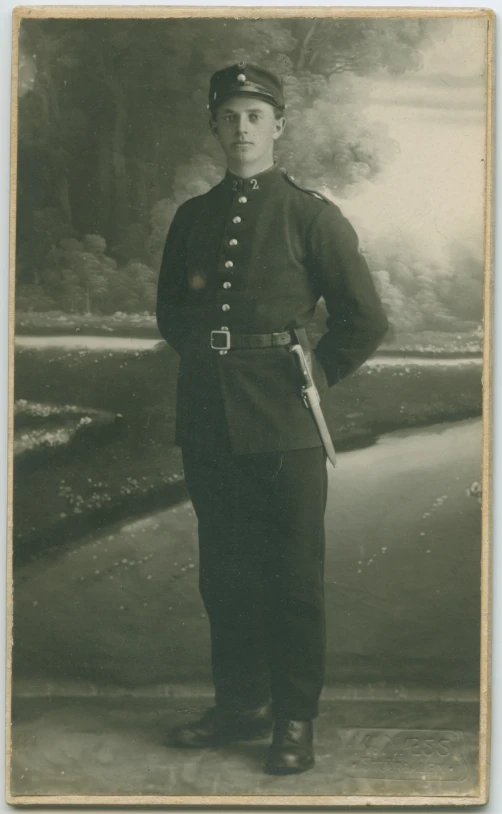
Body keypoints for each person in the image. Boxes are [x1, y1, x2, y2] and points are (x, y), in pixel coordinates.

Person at [156, 63, 388, 775]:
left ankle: (294, 719)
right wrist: (211, 366)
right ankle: (239, 704)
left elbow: (364, 320)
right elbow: (171, 315)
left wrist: (309, 379)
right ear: (215, 127)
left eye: (255, 115)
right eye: (229, 116)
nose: (241, 128)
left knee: (291, 577)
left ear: (278, 126)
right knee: (223, 573)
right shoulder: (194, 218)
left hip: (286, 424)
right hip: (211, 423)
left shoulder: (311, 215)